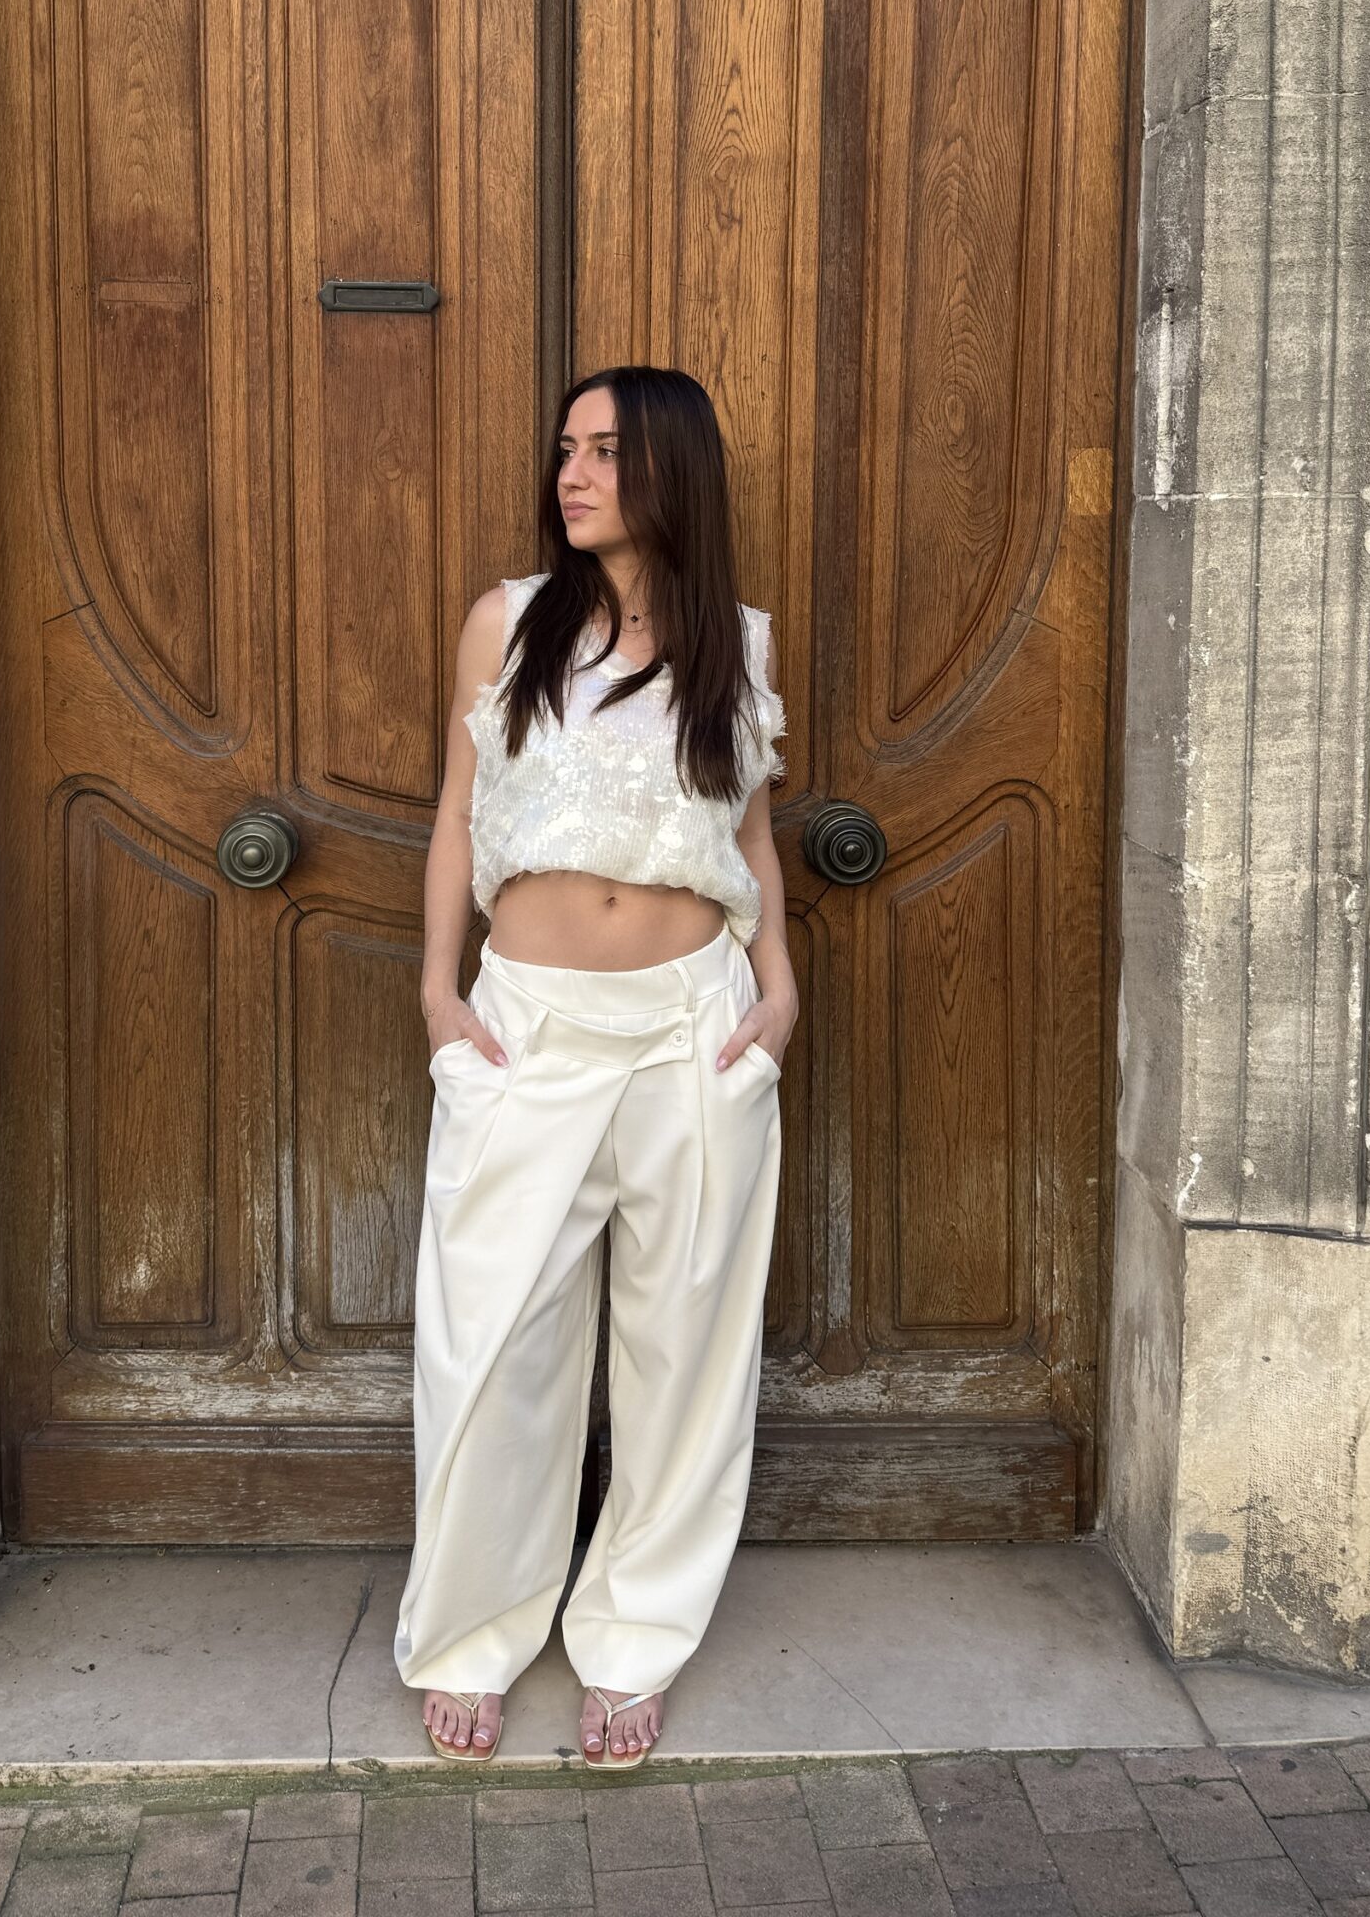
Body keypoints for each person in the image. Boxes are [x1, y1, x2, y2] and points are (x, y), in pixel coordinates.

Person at [393, 365, 795, 1771]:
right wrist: (438, 992)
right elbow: (459, 814)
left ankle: (634, 1642)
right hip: (531, 1029)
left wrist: (780, 988)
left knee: (686, 1353)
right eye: (566, 448)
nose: (572, 474)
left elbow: (750, 838)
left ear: (672, 469)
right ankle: (471, 1636)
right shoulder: (506, 624)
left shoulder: (735, 644)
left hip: (697, 1026)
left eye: (607, 451)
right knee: (493, 1348)